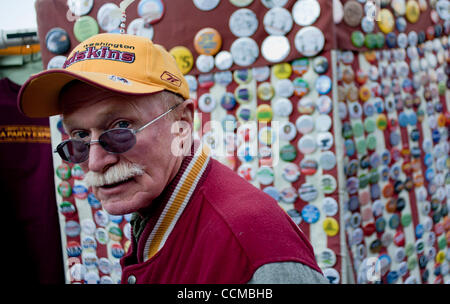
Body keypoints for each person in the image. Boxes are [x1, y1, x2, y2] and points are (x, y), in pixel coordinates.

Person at [18, 33, 328, 284]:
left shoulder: (255, 245)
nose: (97, 162)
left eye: (121, 127)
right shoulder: (157, 204)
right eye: (80, 138)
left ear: (182, 124)